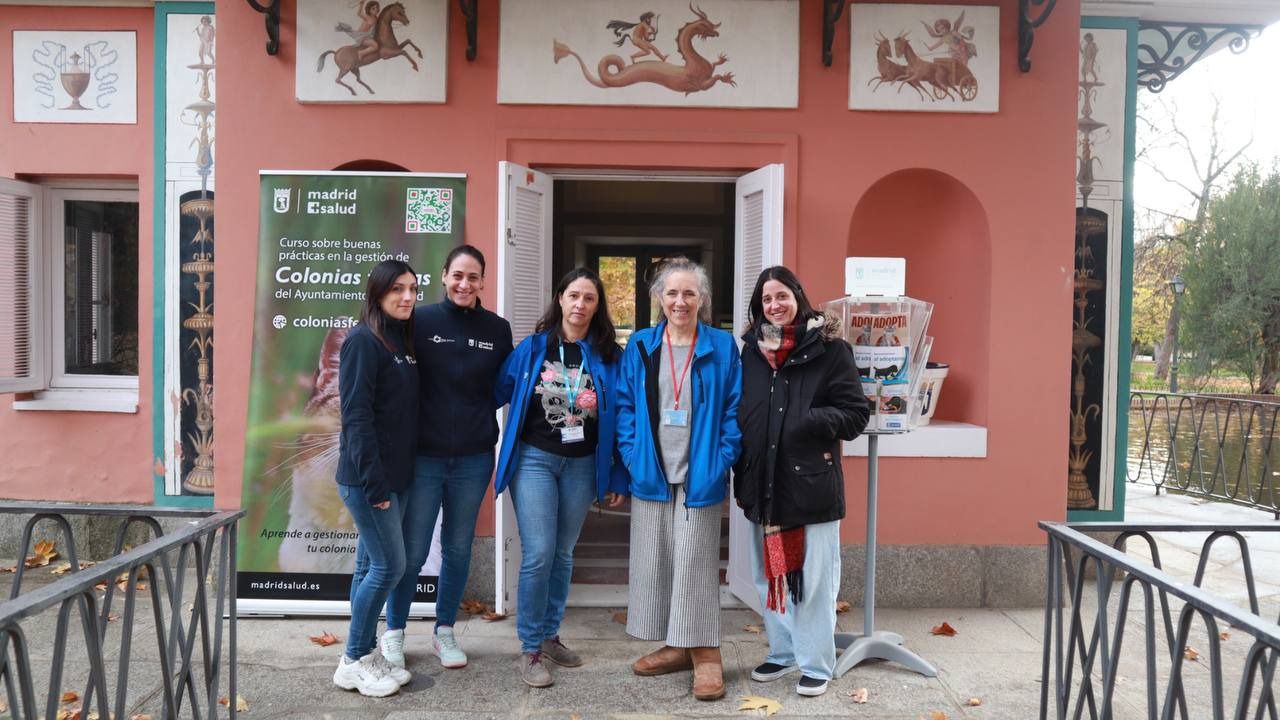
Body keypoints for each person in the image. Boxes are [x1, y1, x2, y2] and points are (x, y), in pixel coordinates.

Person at [733, 266, 870, 698]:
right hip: (762, 479)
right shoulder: (752, 351)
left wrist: (806, 420)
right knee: (767, 573)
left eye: (782, 296)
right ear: (759, 308)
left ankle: (816, 662)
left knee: (813, 580)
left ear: (798, 297)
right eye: (766, 300)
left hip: (809, 483)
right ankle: (784, 650)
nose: (775, 305)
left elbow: (855, 415)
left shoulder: (831, 349)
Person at [378, 245, 513, 675]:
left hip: (473, 458)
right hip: (424, 457)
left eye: (473, 277)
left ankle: (445, 630)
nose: (464, 284)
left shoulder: (498, 329)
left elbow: (502, 386)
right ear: (443, 276)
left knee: (457, 548)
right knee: (412, 550)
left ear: (483, 283)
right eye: (457, 275)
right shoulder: (419, 321)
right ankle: (395, 633)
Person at [493, 267, 629, 688]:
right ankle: (530, 647)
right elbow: (494, 391)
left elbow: (623, 416)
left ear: (597, 306)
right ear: (560, 299)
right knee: (538, 552)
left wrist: (618, 477)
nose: (580, 304)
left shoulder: (609, 356)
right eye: (574, 296)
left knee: (564, 553)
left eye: (589, 298)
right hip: (535, 459)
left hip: (583, 464)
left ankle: (550, 635)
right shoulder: (532, 348)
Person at [616, 257, 741, 702]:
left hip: (700, 471)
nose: (680, 301)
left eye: (689, 293)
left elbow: (733, 409)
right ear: (659, 299)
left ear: (702, 299)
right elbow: (626, 405)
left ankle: (707, 654)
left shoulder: (722, 347)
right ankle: (675, 643)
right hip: (651, 468)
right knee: (659, 560)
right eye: (672, 293)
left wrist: (722, 458)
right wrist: (632, 455)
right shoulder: (642, 346)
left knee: (695, 562)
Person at [332, 260, 420, 697]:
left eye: (412, 289)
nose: (406, 297)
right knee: (390, 566)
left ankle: (364, 652)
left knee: (369, 565)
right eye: (397, 290)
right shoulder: (362, 341)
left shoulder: (397, 339)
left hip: (395, 476)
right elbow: (356, 417)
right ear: (377, 293)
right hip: (369, 480)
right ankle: (352, 660)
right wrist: (375, 484)